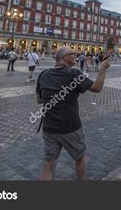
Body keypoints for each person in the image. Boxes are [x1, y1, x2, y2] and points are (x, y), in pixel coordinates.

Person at [37, 47, 111, 180]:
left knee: (48, 164)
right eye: (73, 54)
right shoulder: (73, 73)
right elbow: (97, 88)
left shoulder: (43, 74)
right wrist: (103, 68)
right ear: (65, 57)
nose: (76, 55)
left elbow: (39, 99)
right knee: (80, 158)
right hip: (70, 127)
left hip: (49, 127)